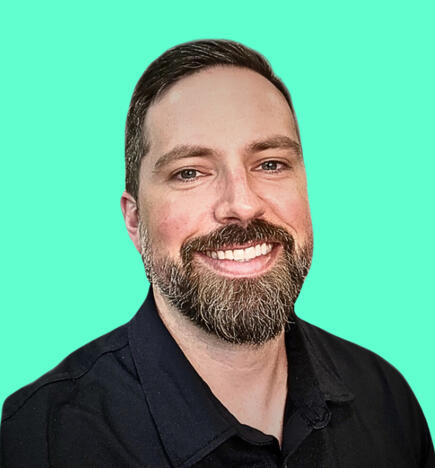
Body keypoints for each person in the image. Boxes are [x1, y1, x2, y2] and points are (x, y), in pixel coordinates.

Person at [1, 39, 433, 468]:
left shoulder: (387, 401)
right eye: (190, 172)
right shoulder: (41, 441)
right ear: (134, 221)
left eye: (270, 164)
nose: (242, 205)